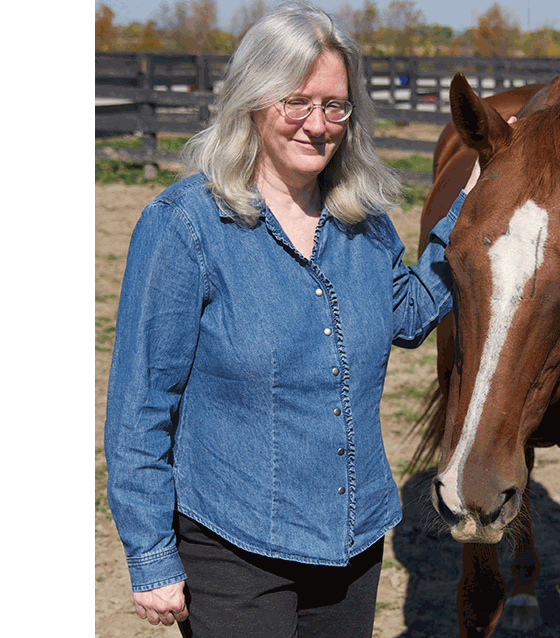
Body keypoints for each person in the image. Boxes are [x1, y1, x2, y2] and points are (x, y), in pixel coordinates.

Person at [104, 3, 478, 636]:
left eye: (335, 106)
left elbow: (410, 314)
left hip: (351, 544)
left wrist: (474, 209)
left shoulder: (363, 222)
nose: (317, 125)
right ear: (253, 99)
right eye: (296, 103)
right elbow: (141, 401)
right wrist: (150, 555)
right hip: (233, 544)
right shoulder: (186, 225)